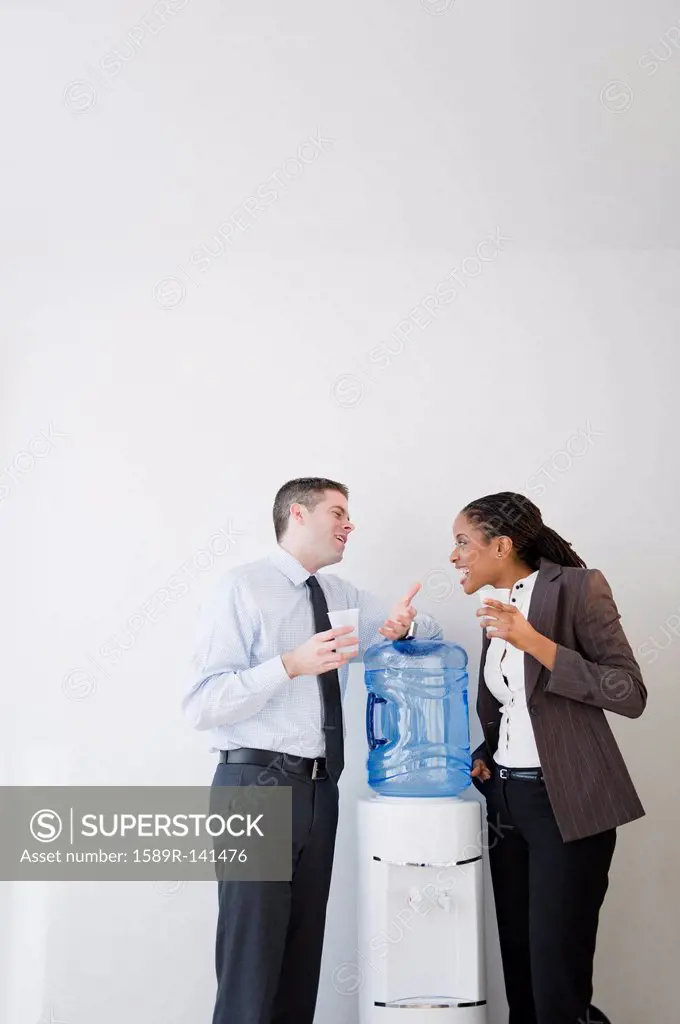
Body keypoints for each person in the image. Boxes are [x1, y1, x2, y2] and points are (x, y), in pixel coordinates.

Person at [183, 476, 442, 1024]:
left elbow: (425, 626)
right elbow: (202, 704)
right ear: (297, 515)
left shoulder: (342, 596)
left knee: (301, 961)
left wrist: (405, 623)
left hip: (322, 788)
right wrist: (288, 665)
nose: (350, 524)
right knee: (250, 959)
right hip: (254, 788)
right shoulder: (242, 587)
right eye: (338, 512)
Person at [449, 491, 646, 1024]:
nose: (454, 556)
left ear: (503, 544)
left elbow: (629, 692)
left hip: (568, 804)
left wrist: (535, 641)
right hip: (507, 801)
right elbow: (519, 704)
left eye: (463, 542)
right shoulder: (496, 605)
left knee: (558, 978)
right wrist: (486, 753)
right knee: (521, 972)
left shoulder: (579, 590)